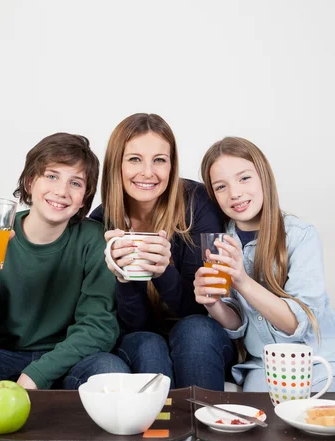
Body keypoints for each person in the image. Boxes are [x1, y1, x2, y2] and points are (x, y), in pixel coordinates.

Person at [0, 132, 128, 397]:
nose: (61, 191)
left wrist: (37, 374)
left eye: (75, 183)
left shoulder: (93, 240)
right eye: (51, 176)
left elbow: (98, 327)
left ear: (84, 198)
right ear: (29, 182)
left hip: (65, 357)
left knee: (111, 371)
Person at [89, 113, 237, 390]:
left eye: (159, 160)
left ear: (171, 165)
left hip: (200, 334)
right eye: (134, 159)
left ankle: (207, 428)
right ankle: (160, 430)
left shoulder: (198, 203)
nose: (148, 172)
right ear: (116, 165)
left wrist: (163, 271)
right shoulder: (100, 224)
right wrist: (126, 278)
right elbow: (134, 324)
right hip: (140, 337)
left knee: (195, 329)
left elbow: (200, 307)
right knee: (148, 343)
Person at [194, 136, 335, 391]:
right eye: (221, 186)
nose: (235, 193)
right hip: (264, 366)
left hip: (318, 362)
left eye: (244, 178)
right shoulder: (219, 240)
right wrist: (213, 304)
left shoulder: (299, 236)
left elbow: (296, 324)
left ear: (264, 177)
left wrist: (243, 281)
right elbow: (236, 324)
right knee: (260, 423)